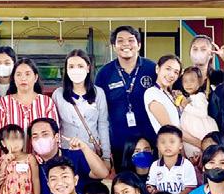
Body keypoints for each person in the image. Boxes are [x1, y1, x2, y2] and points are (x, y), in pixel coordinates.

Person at [95, 26, 157, 164]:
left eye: (131, 40)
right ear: (114, 46)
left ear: (139, 45)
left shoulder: (152, 68)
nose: (126, 44)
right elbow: (98, 110)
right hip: (119, 141)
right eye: (120, 41)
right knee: (124, 176)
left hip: (150, 139)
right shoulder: (104, 73)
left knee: (151, 175)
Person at [0, 58, 59, 163]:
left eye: (27, 74)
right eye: (18, 74)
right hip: (11, 166)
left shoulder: (46, 103)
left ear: (35, 77)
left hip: (42, 164)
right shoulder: (3, 104)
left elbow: (55, 138)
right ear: (13, 78)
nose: (23, 78)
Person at [52, 49, 111, 166]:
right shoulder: (58, 94)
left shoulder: (98, 93)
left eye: (80, 66)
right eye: (71, 66)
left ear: (88, 68)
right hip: (67, 150)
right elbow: (55, 125)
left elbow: (103, 125)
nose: (76, 70)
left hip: (91, 151)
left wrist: (106, 156)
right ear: (66, 70)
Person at [29, 118, 109, 194]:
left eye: (45, 134)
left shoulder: (74, 155)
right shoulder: (31, 164)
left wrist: (84, 148)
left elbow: (102, 173)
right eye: (35, 136)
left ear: (56, 137)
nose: (40, 139)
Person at [144, 55, 196, 149]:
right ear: (157, 69)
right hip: (171, 148)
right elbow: (171, 129)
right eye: (168, 69)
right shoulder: (152, 93)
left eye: (176, 72)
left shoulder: (172, 94)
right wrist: (200, 143)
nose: (172, 75)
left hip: (185, 147)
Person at [146, 125, 198, 194]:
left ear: (180, 145)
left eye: (172, 142)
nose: (167, 145)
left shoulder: (187, 165)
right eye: (163, 142)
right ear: (157, 146)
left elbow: (190, 188)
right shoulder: (155, 165)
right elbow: (150, 185)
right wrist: (153, 192)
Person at [176, 66, 219, 160]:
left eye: (192, 80)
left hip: (199, 133)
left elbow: (202, 113)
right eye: (185, 81)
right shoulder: (189, 98)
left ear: (200, 82)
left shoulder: (200, 96)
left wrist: (185, 105)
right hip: (190, 134)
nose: (188, 84)